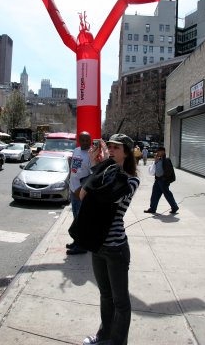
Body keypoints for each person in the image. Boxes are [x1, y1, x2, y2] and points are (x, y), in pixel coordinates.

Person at [70, 133, 140, 345]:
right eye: (109, 146)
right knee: (105, 295)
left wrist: (99, 168)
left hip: (116, 248)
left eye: (116, 148)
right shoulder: (106, 171)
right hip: (97, 244)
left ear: (126, 153)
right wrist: (95, 164)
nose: (111, 150)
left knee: (120, 300)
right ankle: (104, 335)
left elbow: (106, 196)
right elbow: (82, 195)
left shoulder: (131, 180)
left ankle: (118, 341)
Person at [66, 131, 92, 255]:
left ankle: (82, 246)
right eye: (83, 140)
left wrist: (82, 190)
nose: (85, 142)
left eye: (88, 140)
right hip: (73, 189)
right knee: (76, 218)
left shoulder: (92, 154)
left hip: (81, 192)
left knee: (81, 220)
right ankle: (76, 241)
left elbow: (93, 176)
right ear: (79, 140)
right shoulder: (76, 150)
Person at [144, 146, 179, 214]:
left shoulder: (166, 160)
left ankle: (174, 207)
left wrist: (164, 179)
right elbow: (156, 169)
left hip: (163, 181)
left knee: (167, 194)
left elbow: (169, 172)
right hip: (158, 180)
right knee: (154, 194)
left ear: (162, 151)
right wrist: (156, 161)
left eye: (158, 151)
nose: (157, 153)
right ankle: (152, 208)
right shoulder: (159, 160)